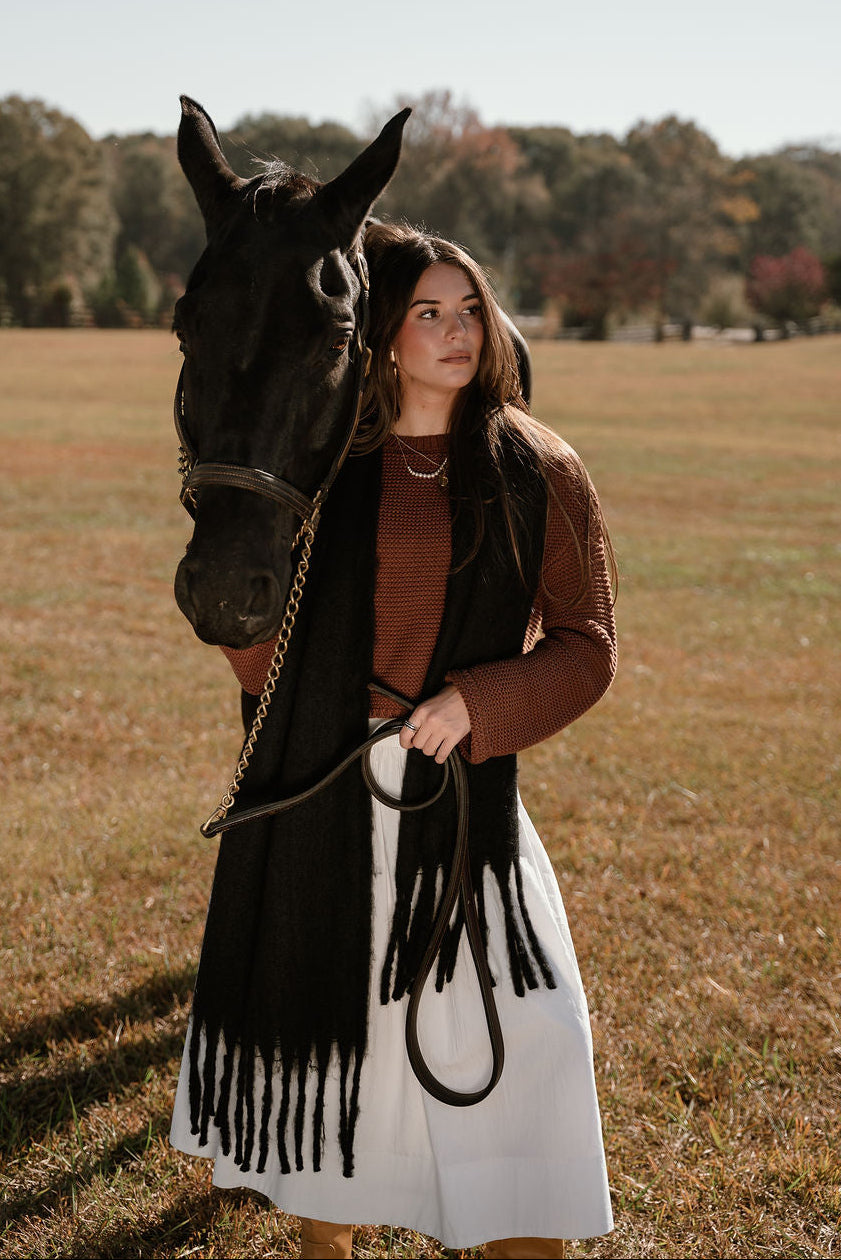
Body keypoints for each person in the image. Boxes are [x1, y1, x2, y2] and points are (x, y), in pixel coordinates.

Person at [169, 222, 618, 1259]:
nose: (457, 332)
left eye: (470, 310)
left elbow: (588, 646)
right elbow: (269, 650)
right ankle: (330, 1242)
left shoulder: (538, 467)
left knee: (529, 1040)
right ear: (382, 334)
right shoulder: (327, 471)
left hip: (460, 813)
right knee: (339, 1061)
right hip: (323, 797)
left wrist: (478, 703)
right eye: (428, 313)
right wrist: (239, 628)